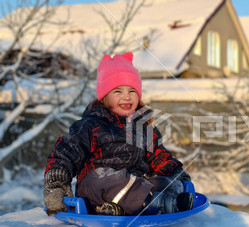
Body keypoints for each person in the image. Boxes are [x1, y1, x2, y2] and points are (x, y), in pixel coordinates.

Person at [43, 52, 193, 217]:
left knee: (165, 182)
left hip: (136, 189)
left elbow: (158, 156)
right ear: (104, 97)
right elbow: (65, 153)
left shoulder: (143, 127)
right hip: (96, 188)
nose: (126, 97)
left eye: (132, 91)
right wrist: (57, 184)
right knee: (110, 179)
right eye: (117, 91)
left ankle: (150, 203)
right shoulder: (91, 126)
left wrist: (176, 174)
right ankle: (160, 204)